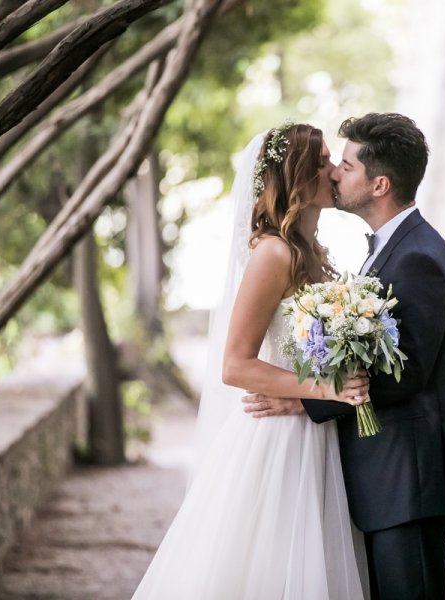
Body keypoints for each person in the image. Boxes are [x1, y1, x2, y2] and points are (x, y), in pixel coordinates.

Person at [132, 123, 371, 600]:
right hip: (280, 443)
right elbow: (235, 366)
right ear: (297, 176)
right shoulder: (274, 254)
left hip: (321, 437)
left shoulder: (314, 255)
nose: (333, 170)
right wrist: (327, 390)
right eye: (322, 161)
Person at [245, 113, 445, 599]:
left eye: (345, 165)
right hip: (387, 479)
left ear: (380, 184)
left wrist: (304, 400)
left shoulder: (417, 257)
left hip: (406, 482)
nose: (334, 173)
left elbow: (406, 375)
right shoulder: (387, 250)